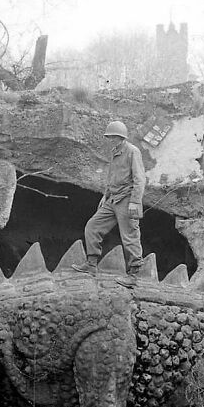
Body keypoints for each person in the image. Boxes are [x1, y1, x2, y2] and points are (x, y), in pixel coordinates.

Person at [72, 120, 146, 287]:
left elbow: (140, 179)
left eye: (113, 137)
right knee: (92, 226)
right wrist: (105, 196)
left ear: (121, 137)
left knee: (129, 236)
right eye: (109, 137)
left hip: (126, 199)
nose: (111, 140)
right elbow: (112, 176)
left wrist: (135, 202)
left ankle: (133, 276)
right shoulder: (115, 152)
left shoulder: (132, 152)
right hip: (113, 199)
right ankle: (91, 265)